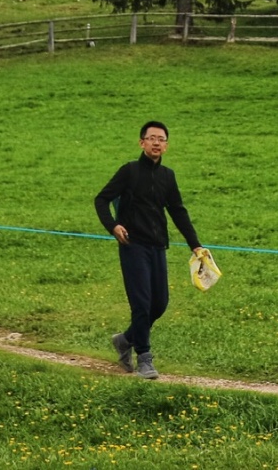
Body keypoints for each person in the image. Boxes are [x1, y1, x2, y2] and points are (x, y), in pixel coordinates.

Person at [94, 120, 204, 379]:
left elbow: (177, 211)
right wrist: (113, 226)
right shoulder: (129, 171)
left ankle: (125, 340)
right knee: (141, 304)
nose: (157, 143)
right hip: (133, 246)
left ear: (166, 146)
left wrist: (195, 245)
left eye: (161, 139)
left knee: (160, 304)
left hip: (157, 247)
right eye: (152, 138)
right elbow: (101, 199)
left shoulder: (168, 176)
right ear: (142, 142)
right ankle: (144, 357)